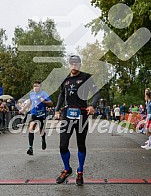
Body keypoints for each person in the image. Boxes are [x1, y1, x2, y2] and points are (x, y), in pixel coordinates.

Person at [54, 55, 100, 186]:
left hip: (81, 114)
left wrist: (92, 105)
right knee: (63, 145)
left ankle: (80, 171)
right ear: (69, 65)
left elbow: (96, 93)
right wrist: (57, 110)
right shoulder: (65, 79)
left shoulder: (86, 77)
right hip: (67, 114)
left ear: (79, 64)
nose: (74, 65)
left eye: (76, 63)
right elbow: (62, 95)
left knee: (81, 143)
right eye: (71, 63)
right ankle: (67, 169)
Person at [19, 81, 53, 155]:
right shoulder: (32, 94)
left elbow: (51, 103)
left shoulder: (44, 94)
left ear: (40, 87)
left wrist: (44, 101)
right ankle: (30, 147)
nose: (35, 87)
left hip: (42, 114)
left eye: (37, 86)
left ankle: (43, 139)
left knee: (41, 131)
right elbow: (29, 102)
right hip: (34, 113)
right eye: (34, 86)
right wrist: (23, 109)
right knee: (31, 129)